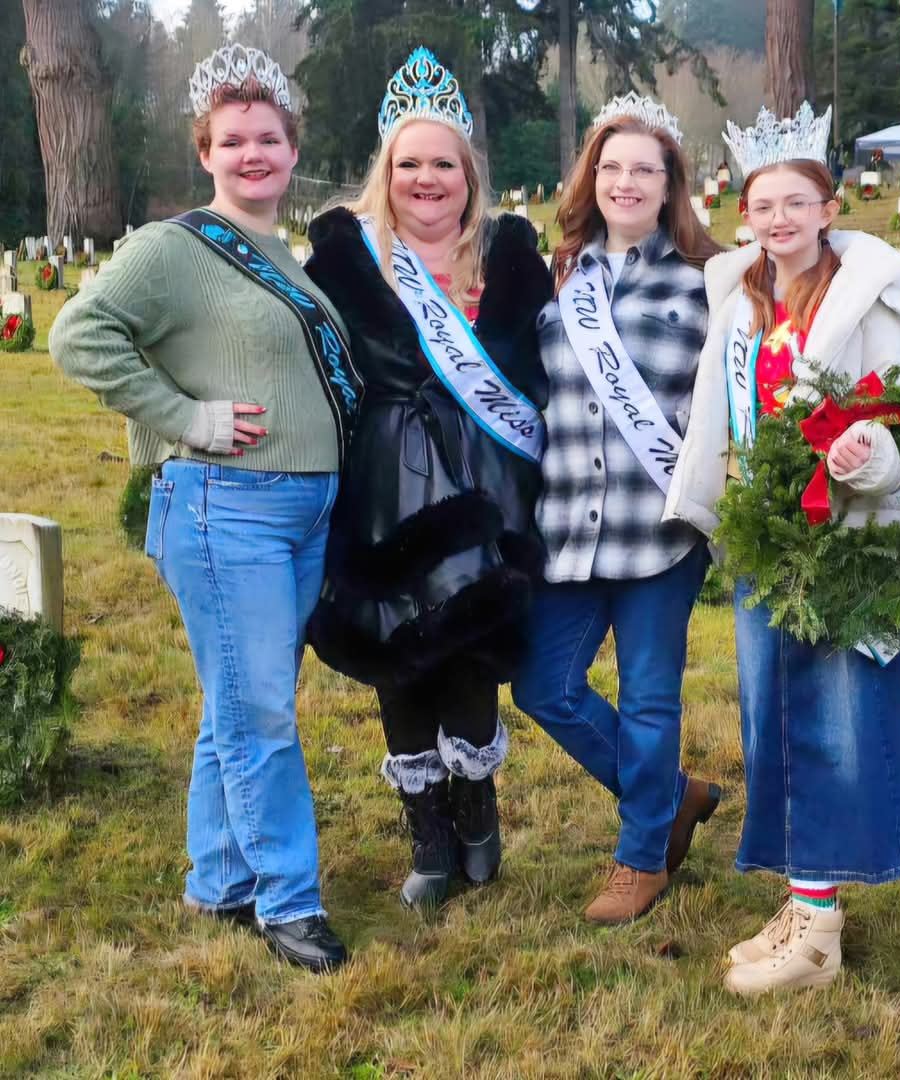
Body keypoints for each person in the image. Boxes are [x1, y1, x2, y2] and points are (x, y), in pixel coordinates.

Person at [49, 45, 362, 973]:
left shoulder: (286, 255)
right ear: (207, 153)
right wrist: (186, 416)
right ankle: (289, 902)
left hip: (302, 511)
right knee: (261, 709)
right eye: (234, 140)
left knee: (236, 701)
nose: (253, 153)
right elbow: (77, 335)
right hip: (229, 507)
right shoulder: (173, 247)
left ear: (292, 150)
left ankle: (219, 880)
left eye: (269, 138)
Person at [665, 102, 900, 994]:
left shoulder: (871, 297)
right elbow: (722, 411)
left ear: (827, 207)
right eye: (762, 206)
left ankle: (816, 933)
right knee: (774, 717)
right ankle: (804, 899)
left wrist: (868, 454)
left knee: (831, 720)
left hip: (838, 539)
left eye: (795, 203)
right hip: (760, 540)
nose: (778, 221)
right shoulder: (740, 297)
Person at [303, 47, 551, 909]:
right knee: (399, 654)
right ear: (387, 171)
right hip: (383, 482)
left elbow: (546, 374)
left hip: (482, 483)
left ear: (468, 172)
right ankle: (430, 834)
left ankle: (478, 808)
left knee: (470, 648)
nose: (426, 179)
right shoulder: (344, 258)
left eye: (442, 162)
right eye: (409, 164)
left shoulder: (513, 254)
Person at [511, 93, 723, 925]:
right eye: (611, 167)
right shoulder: (560, 275)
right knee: (544, 687)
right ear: (590, 177)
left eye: (645, 168)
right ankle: (672, 796)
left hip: (659, 534)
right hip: (568, 529)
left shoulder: (712, 281)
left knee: (648, 699)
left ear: (670, 182)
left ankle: (641, 857)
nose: (626, 181)